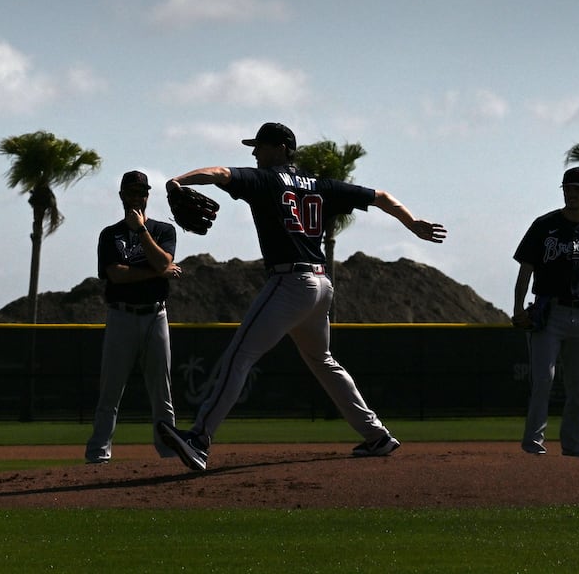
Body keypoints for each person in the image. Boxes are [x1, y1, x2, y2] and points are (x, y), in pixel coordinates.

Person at [156, 121, 446, 472]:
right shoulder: (322, 186)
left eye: (260, 145)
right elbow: (381, 196)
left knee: (240, 356)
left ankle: (199, 440)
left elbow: (217, 172)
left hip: (289, 283)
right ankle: (377, 435)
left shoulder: (264, 180)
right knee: (323, 361)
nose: (254, 152)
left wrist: (178, 180)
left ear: (281, 148)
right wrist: (412, 223)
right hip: (321, 286)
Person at [511, 166, 579, 457]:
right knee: (543, 380)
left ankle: (572, 447)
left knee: (578, 387)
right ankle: (534, 445)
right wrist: (518, 307)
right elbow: (526, 270)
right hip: (549, 312)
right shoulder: (545, 225)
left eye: (578, 189)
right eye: (568, 188)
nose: (572, 193)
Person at [84, 170, 183, 464]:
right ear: (122, 196)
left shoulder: (163, 230)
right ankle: (98, 454)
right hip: (121, 316)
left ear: (147, 196)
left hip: (155, 314)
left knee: (161, 393)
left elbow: (164, 260)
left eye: (142, 193)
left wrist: (141, 231)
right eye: (131, 192)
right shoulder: (109, 234)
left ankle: (168, 451)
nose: (137, 198)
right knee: (110, 390)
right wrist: (158, 271)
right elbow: (116, 275)